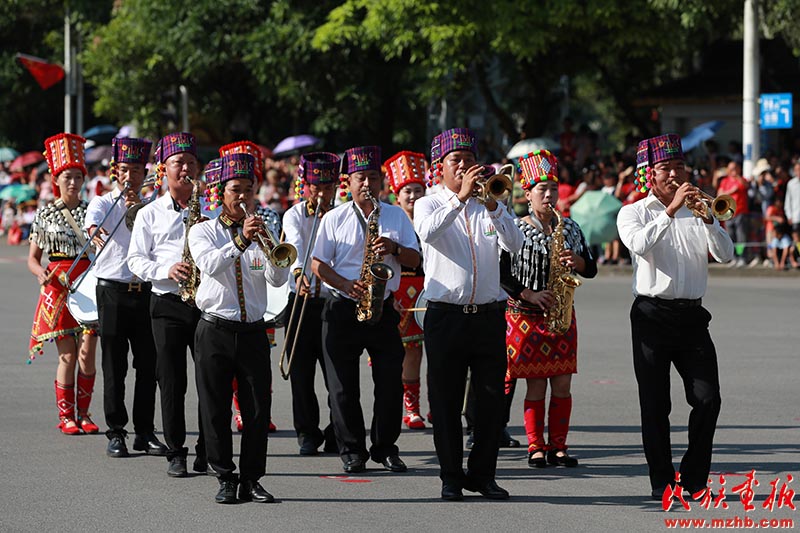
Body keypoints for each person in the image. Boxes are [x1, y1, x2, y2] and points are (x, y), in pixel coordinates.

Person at [616, 133, 734, 500]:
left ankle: (694, 476)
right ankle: (662, 481)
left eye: (679, 167)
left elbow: (727, 255)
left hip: (692, 317)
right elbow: (637, 245)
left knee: (708, 399)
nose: (674, 174)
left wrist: (711, 221)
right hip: (652, 314)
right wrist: (669, 211)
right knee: (655, 404)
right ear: (650, 175)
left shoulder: (699, 211)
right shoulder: (634, 211)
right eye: (665, 168)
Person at [414, 128, 523, 501]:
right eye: (454, 160)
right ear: (440, 167)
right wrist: (459, 199)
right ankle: (450, 475)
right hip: (446, 314)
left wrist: (493, 206)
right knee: (444, 399)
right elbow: (427, 233)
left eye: (468, 159)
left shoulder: (489, 204)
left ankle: (483, 474)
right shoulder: (429, 202)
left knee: (492, 399)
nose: (463, 166)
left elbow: (515, 243)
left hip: (489, 315)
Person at [311, 145, 420, 474]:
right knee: (342, 385)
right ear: (348, 182)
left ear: (382, 182)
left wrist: (394, 248)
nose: (367, 184)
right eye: (361, 178)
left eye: (373, 177)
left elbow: (415, 259)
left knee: (390, 380)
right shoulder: (334, 218)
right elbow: (318, 264)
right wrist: (345, 285)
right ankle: (352, 450)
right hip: (342, 305)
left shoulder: (395, 215)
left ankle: (386, 447)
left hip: (382, 306)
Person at [189, 152, 287, 504]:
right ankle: (225, 476)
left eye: (248, 189)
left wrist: (268, 247)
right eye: (235, 190)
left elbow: (277, 277)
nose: (243, 196)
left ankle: (252, 478)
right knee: (215, 408)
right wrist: (242, 241)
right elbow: (210, 265)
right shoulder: (203, 231)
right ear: (220, 193)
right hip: (214, 329)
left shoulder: (263, 230)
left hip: (253, 332)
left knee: (258, 409)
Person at [499, 150, 597, 469]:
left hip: (562, 313)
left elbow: (591, 268)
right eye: (542, 189)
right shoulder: (514, 229)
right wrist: (529, 294)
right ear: (527, 193)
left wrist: (578, 262)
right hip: (525, 315)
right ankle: (535, 446)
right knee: (536, 383)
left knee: (563, 383)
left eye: (553, 188)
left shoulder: (569, 228)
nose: (549, 195)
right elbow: (502, 274)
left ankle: (559, 446)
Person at [128, 132, 206, 478]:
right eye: (179, 163)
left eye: (191, 163)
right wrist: (166, 269)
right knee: (172, 380)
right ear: (164, 170)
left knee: (210, 380)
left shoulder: (212, 209)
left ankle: (210, 449)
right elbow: (135, 260)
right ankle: (176, 451)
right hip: (167, 302)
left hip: (205, 303)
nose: (186, 169)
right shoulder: (150, 213)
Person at [85, 137, 168, 458]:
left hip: (145, 291)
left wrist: (138, 205)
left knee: (149, 366)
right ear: (115, 172)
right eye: (125, 170)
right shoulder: (103, 202)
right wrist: (98, 229)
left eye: (137, 170)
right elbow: (94, 224)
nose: (131, 176)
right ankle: (116, 431)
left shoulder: (151, 207)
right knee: (114, 364)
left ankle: (144, 432)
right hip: (113, 292)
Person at [28, 133, 99, 435]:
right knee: (68, 355)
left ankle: (84, 414)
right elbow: (34, 258)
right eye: (67, 177)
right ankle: (66, 416)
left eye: (77, 177)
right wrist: (40, 274)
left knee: (88, 354)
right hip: (58, 288)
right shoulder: (45, 214)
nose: (73, 182)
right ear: (56, 179)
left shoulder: (93, 211)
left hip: (88, 287)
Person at [281, 151, 339, 455]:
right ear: (303, 186)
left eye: (327, 187)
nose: (320, 193)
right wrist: (298, 272)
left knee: (336, 375)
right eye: (314, 187)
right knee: (301, 372)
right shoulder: (294, 214)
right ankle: (307, 432)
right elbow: (294, 245)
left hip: (333, 303)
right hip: (301, 300)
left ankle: (336, 430)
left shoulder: (343, 214)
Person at [384, 150, 428, 429]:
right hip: (398, 290)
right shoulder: (391, 221)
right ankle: (403, 406)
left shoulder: (432, 220)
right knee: (396, 353)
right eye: (407, 191)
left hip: (427, 290)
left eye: (418, 191)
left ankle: (420, 408)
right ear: (396, 196)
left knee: (421, 352)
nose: (413, 196)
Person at [714, 160, 750, 267]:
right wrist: (731, 191)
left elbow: (746, 185)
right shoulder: (725, 181)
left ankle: (742, 257)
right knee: (730, 236)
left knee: (741, 236)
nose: (732, 171)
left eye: (735, 168)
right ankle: (734, 258)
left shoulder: (741, 179)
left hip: (741, 211)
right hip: (728, 212)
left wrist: (737, 177)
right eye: (731, 169)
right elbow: (719, 194)